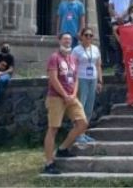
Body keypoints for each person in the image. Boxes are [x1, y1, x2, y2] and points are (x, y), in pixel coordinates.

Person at [42, 33, 89, 175]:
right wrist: (64, 95)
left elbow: (76, 79)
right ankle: (49, 163)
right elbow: (53, 79)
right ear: (59, 41)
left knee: (82, 123)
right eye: (65, 39)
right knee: (53, 128)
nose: (67, 41)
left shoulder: (74, 59)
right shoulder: (54, 57)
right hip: (56, 97)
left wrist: (73, 94)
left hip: (71, 96)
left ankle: (62, 149)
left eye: (69, 39)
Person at [71, 27, 103, 143]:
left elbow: (98, 65)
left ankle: (83, 133)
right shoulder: (76, 50)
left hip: (92, 79)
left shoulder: (95, 49)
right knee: (80, 107)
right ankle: (76, 134)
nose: (89, 37)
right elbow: (73, 67)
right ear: (82, 37)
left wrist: (100, 81)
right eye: (86, 35)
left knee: (89, 108)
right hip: (81, 78)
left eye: (91, 35)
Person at [108, 0, 133, 76]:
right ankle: (119, 66)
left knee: (128, 44)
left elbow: (132, 5)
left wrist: (123, 15)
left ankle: (128, 65)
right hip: (116, 21)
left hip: (127, 20)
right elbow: (110, 7)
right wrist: (116, 16)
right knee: (118, 45)